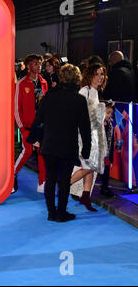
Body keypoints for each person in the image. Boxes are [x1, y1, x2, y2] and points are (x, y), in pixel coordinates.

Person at [29, 64, 91, 222]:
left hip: (49, 144)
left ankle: (51, 212)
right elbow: (85, 127)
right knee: (64, 181)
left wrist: (35, 139)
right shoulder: (79, 99)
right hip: (68, 145)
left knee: (50, 179)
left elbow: (38, 120)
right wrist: (87, 149)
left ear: (61, 77)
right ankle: (62, 213)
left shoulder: (49, 95)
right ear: (78, 78)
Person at [69, 63, 108, 212]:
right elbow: (77, 113)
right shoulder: (84, 91)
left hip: (95, 134)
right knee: (90, 166)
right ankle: (63, 185)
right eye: (97, 74)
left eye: (102, 74)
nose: (100, 77)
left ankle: (86, 197)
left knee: (89, 166)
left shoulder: (96, 92)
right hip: (85, 135)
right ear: (90, 75)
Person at [14, 54, 48, 193]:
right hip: (27, 126)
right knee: (27, 151)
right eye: (35, 63)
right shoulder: (21, 83)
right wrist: (21, 128)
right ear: (28, 66)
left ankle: (42, 182)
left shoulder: (44, 83)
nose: (39, 66)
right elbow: (17, 108)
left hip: (42, 126)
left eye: (40, 63)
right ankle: (12, 175)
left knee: (42, 154)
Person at [100, 102, 115, 197]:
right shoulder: (97, 123)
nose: (109, 115)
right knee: (88, 172)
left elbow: (111, 142)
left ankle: (104, 188)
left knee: (106, 171)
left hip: (106, 153)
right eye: (107, 112)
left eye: (111, 113)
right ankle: (80, 190)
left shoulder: (109, 125)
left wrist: (111, 158)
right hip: (95, 152)